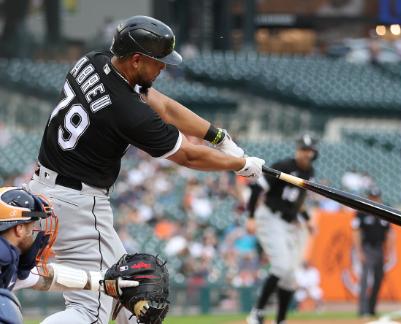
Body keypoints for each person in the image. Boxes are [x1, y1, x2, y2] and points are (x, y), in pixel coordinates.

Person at [27, 15, 265, 324]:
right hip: (78, 205)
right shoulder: (128, 111)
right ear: (137, 59)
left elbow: (163, 106)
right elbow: (189, 157)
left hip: (45, 192)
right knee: (93, 311)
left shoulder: (93, 61)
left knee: (131, 295)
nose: (164, 67)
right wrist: (242, 164)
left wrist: (218, 137)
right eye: (158, 61)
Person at [0, 187, 138, 324]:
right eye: (31, 227)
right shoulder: (4, 256)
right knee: (6, 310)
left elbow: (48, 278)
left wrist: (103, 281)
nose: (35, 233)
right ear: (19, 229)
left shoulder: (8, 262)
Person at [245, 134, 318, 324]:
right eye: (303, 149)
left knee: (290, 276)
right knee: (281, 266)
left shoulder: (310, 172)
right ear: (297, 150)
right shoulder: (284, 166)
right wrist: (251, 217)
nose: (306, 154)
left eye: (309, 150)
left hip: (288, 223)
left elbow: (298, 201)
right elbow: (256, 189)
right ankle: (257, 312)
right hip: (270, 217)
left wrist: (308, 219)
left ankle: (281, 320)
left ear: (313, 153)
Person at [352, 187, 395, 318]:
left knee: (378, 279)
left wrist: (389, 252)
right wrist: (359, 251)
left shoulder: (385, 212)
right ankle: (363, 309)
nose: (374, 199)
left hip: (379, 249)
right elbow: (356, 231)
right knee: (365, 278)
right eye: (372, 197)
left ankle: (371, 308)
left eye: (376, 197)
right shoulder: (362, 211)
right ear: (369, 197)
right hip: (367, 248)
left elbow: (390, 233)